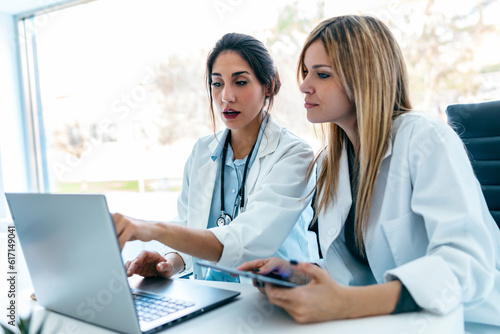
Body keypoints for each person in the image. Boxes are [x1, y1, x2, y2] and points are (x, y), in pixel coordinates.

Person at [238, 15, 500, 332]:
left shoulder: (426, 139)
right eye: (306, 72)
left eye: (322, 74)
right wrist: (300, 273)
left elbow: (467, 265)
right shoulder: (333, 164)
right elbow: (359, 270)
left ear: (364, 78)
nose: (304, 85)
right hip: (390, 323)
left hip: (470, 321)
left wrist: (346, 305)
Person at [113, 32, 316, 282]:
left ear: (270, 85)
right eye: (217, 83)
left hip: (270, 301)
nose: (226, 97)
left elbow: (248, 242)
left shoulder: (294, 154)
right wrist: (170, 262)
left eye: (240, 82)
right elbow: (187, 222)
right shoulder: (202, 151)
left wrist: (152, 228)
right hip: (210, 296)